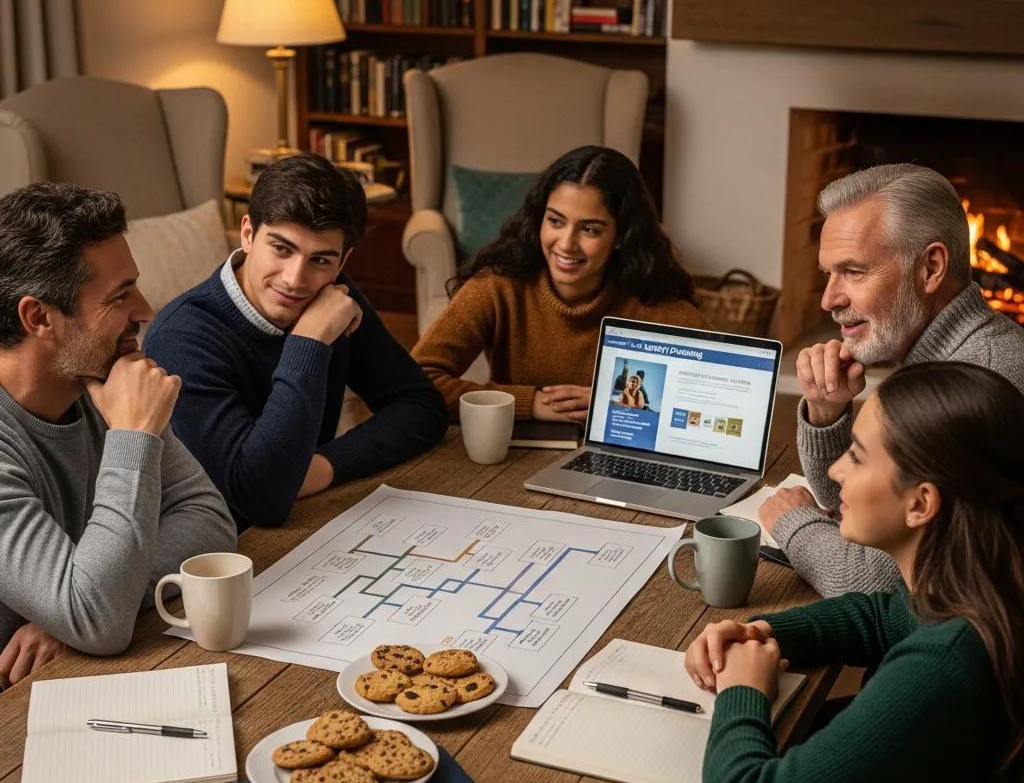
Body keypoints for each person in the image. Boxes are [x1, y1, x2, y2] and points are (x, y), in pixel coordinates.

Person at [689, 362, 1024, 783]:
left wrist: (742, 692)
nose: (836, 469)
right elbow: (881, 616)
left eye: (858, 456)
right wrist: (767, 632)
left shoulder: (946, 667)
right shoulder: (987, 587)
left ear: (921, 503)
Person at [0, 183, 236, 684]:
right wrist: (133, 436)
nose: (145, 309)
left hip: (80, 671)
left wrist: (82, 602)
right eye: (119, 295)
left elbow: (212, 522)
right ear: (39, 316)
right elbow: (100, 621)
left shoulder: (104, 381)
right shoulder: (122, 408)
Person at [758, 164, 1024, 597]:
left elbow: (869, 581)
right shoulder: (940, 357)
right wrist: (827, 413)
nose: (829, 299)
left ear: (931, 267)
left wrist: (792, 522)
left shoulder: (975, 382)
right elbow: (857, 506)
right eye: (829, 273)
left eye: (855, 272)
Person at [145, 154, 447, 529]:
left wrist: (326, 465)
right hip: (218, 554)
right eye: (281, 248)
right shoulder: (182, 339)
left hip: (308, 523)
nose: (295, 279)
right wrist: (309, 341)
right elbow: (259, 500)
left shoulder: (332, 296)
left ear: (342, 261)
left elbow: (421, 406)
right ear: (248, 234)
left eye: (320, 260)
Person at [411, 146, 707, 422]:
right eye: (555, 221)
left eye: (590, 229)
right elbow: (416, 381)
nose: (566, 244)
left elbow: (722, 404)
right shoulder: (497, 287)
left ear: (621, 236)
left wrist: (618, 405)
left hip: (619, 462)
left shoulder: (656, 304)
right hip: (512, 454)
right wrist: (529, 403)